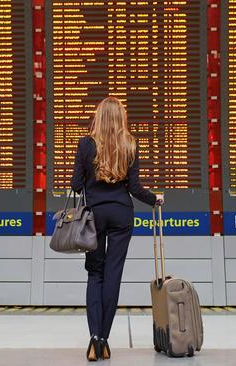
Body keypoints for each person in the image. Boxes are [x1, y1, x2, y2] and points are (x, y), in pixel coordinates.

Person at [71, 97, 163, 361]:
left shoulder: (86, 144)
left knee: (95, 274)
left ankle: (93, 340)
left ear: (98, 117)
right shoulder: (130, 144)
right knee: (113, 274)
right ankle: (105, 340)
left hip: (94, 217)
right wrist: (153, 199)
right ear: (121, 117)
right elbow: (134, 188)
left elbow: (77, 185)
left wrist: (88, 177)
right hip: (122, 214)